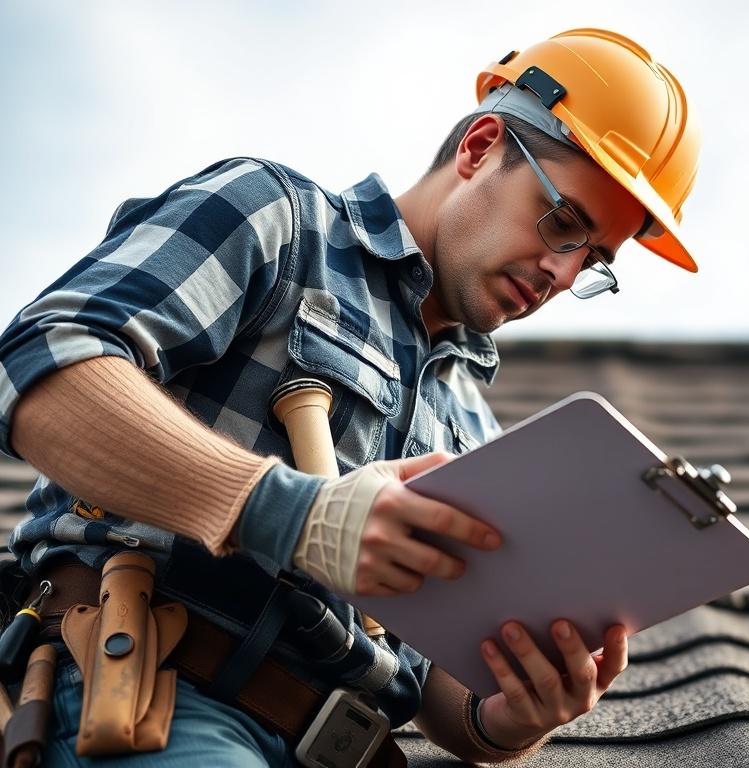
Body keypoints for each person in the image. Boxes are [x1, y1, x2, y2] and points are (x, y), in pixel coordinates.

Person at [0, 27, 701, 766]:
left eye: (592, 261)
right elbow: (45, 364)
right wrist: (291, 515)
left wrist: (509, 716)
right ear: (480, 147)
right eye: (563, 223)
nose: (561, 274)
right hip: (155, 699)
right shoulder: (279, 221)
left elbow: (443, 697)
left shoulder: (475, 426)